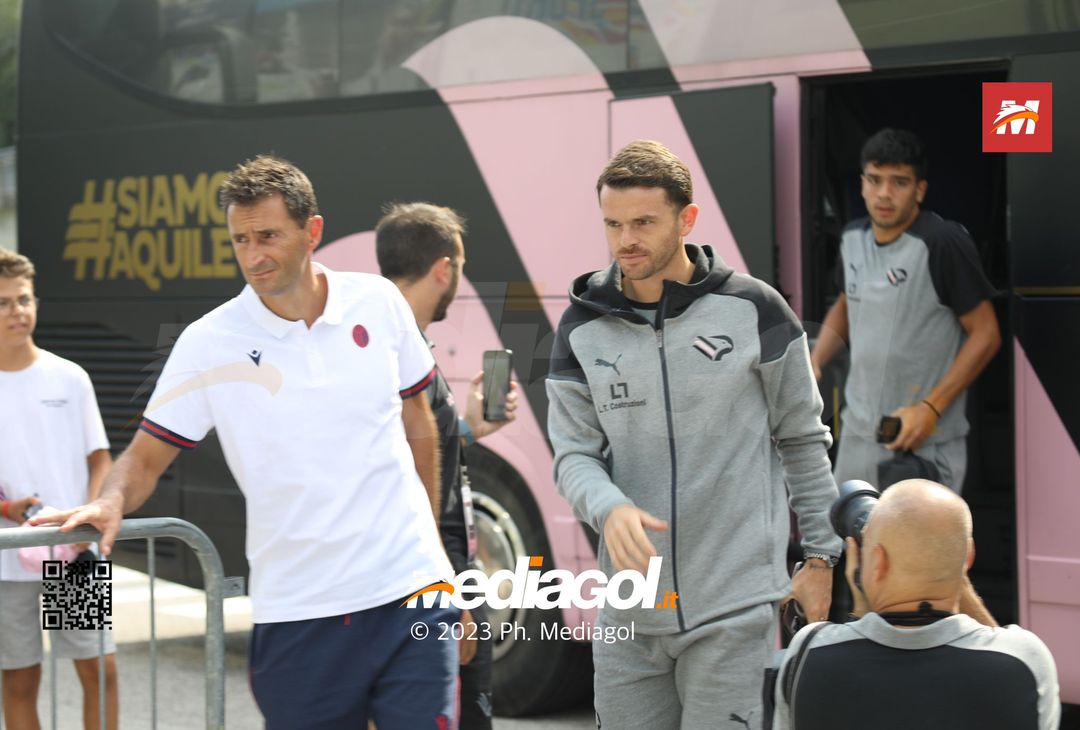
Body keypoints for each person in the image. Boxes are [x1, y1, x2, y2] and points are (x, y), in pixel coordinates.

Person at [32, 156, 457, 728]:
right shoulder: (209, 342)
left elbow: (418, 419)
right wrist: (110, 501)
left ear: (313, 232)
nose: (254, 254)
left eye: (268, 236)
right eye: (240, 239)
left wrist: (439, 566)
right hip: (301, 610)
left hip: (411, 592)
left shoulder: (379, 302)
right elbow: (146, 454)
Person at [546, 139, 842, 729]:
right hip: (630, 615)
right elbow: (573, 455)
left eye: (643, 223)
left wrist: (821, 558)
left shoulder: (756, 308)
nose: (625, 239)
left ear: (687, 219)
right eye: (613, 223)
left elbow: (803, 440)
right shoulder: (581, 325)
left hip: (735, 608)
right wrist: (609, 508)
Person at [375, 201, 519, 729]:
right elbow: (401, 480)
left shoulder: (399, 343)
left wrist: (470, 427)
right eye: (460, 265)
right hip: (431, 575)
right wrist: (446, 590)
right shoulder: (388, 348)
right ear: (444, 268)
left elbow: (414, 446)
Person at [773, 479, 1060, 729]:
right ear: (968, 557)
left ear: (878, 561)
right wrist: (949, 566)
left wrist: (864, 595)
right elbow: (994, 650)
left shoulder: (807, 653)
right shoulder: (1026, 661)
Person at [810, 128, 1001, 493]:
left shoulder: (943, 242)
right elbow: (848, 302)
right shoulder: (852, 238)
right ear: (863, 184)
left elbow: (987, 334)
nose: (884, 193)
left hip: (921, 441)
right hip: (858, 435)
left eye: (899, 182)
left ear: (920, 190)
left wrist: (931, 408)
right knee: (852, 545)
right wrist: (816, 361)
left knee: (915, 551)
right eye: (875, 180)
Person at [0, 249, 119, 730]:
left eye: (23, 299)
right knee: (20, 681)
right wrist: (9, 508)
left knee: (100, 671)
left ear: (36, 302)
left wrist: (89, 514)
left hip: (74, 553)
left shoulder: (70, 377)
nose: (17, 311)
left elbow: (100, 457)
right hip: (6, 562)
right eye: (4, 302)